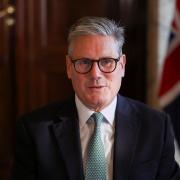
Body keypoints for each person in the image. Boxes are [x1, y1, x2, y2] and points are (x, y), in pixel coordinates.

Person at [12, 16, 180, 180]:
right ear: (69, 67)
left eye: (107, 61)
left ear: (121, 66)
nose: (95, 74)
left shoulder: (156, 126)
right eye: (84, 62)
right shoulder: (34, 131)